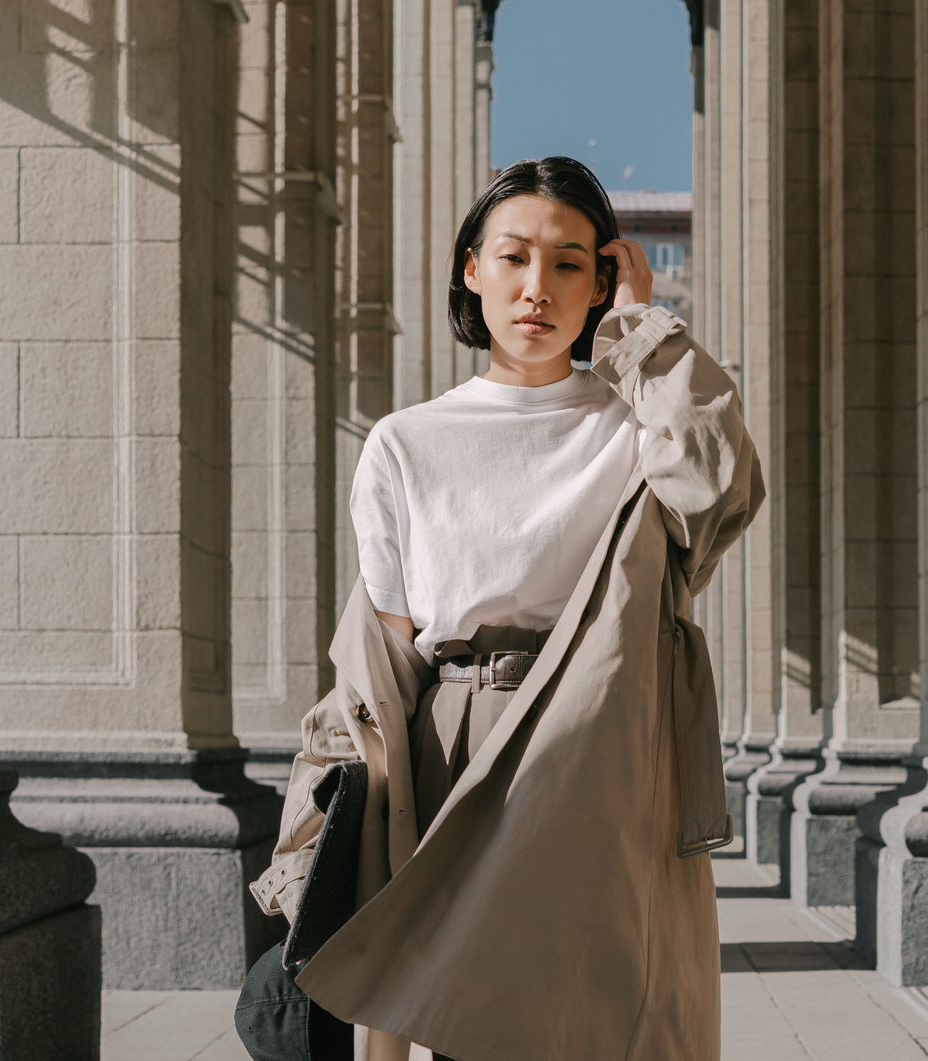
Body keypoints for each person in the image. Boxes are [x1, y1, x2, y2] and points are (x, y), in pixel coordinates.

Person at [243, 157, 763, 1061]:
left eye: (569, 263)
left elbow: (718, 484)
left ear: (602, 282)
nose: (537, 287)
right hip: (454, 741)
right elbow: (388, 652)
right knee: (466, 1023)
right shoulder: (406, 440)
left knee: (596, 1020)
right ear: (470, 270)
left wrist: (641, 330)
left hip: (599, 746)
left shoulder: (634, 425)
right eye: (514, 257)